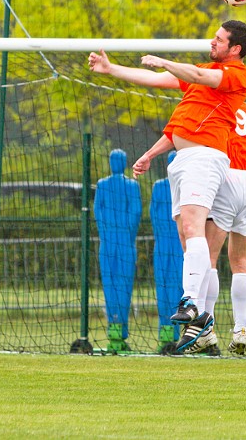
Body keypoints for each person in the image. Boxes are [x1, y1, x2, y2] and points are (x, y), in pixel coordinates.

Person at [88, 20, 246, 345]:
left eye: (219, 40)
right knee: (185, 236)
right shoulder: (199, 76)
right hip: (182, 161)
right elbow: (156, 79)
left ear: (235, 48)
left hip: (205, 158)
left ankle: (191, 302)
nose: (212, 43)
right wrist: (111, 69)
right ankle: (203, 317)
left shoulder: (234, 74)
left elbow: (200, 75)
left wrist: (167, 61)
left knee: (193, 229)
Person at [182, 102, 246, 355]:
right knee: (240, 259)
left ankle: (205, 329)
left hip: (228, 176)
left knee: (208, 257)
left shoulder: (215, 106)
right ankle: (241, 328)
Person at [94, 149, 142, 352]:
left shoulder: (130, 186)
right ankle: (115, 328)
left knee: (121, 284)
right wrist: (111, 231)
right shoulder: (105, 185)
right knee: (113, 283)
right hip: (113, 240)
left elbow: (135, 210)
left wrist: (123, 232)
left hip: (120, 240)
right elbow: (98, 210)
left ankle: (119, 329)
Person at [150, 150, 184, 353]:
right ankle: (167, 333)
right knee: (166, 284)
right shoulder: (161, 186)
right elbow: (152, 213)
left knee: (178, 285)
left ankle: (180, 332)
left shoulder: (182, 186)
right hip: (168, 242)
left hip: (176, 242)